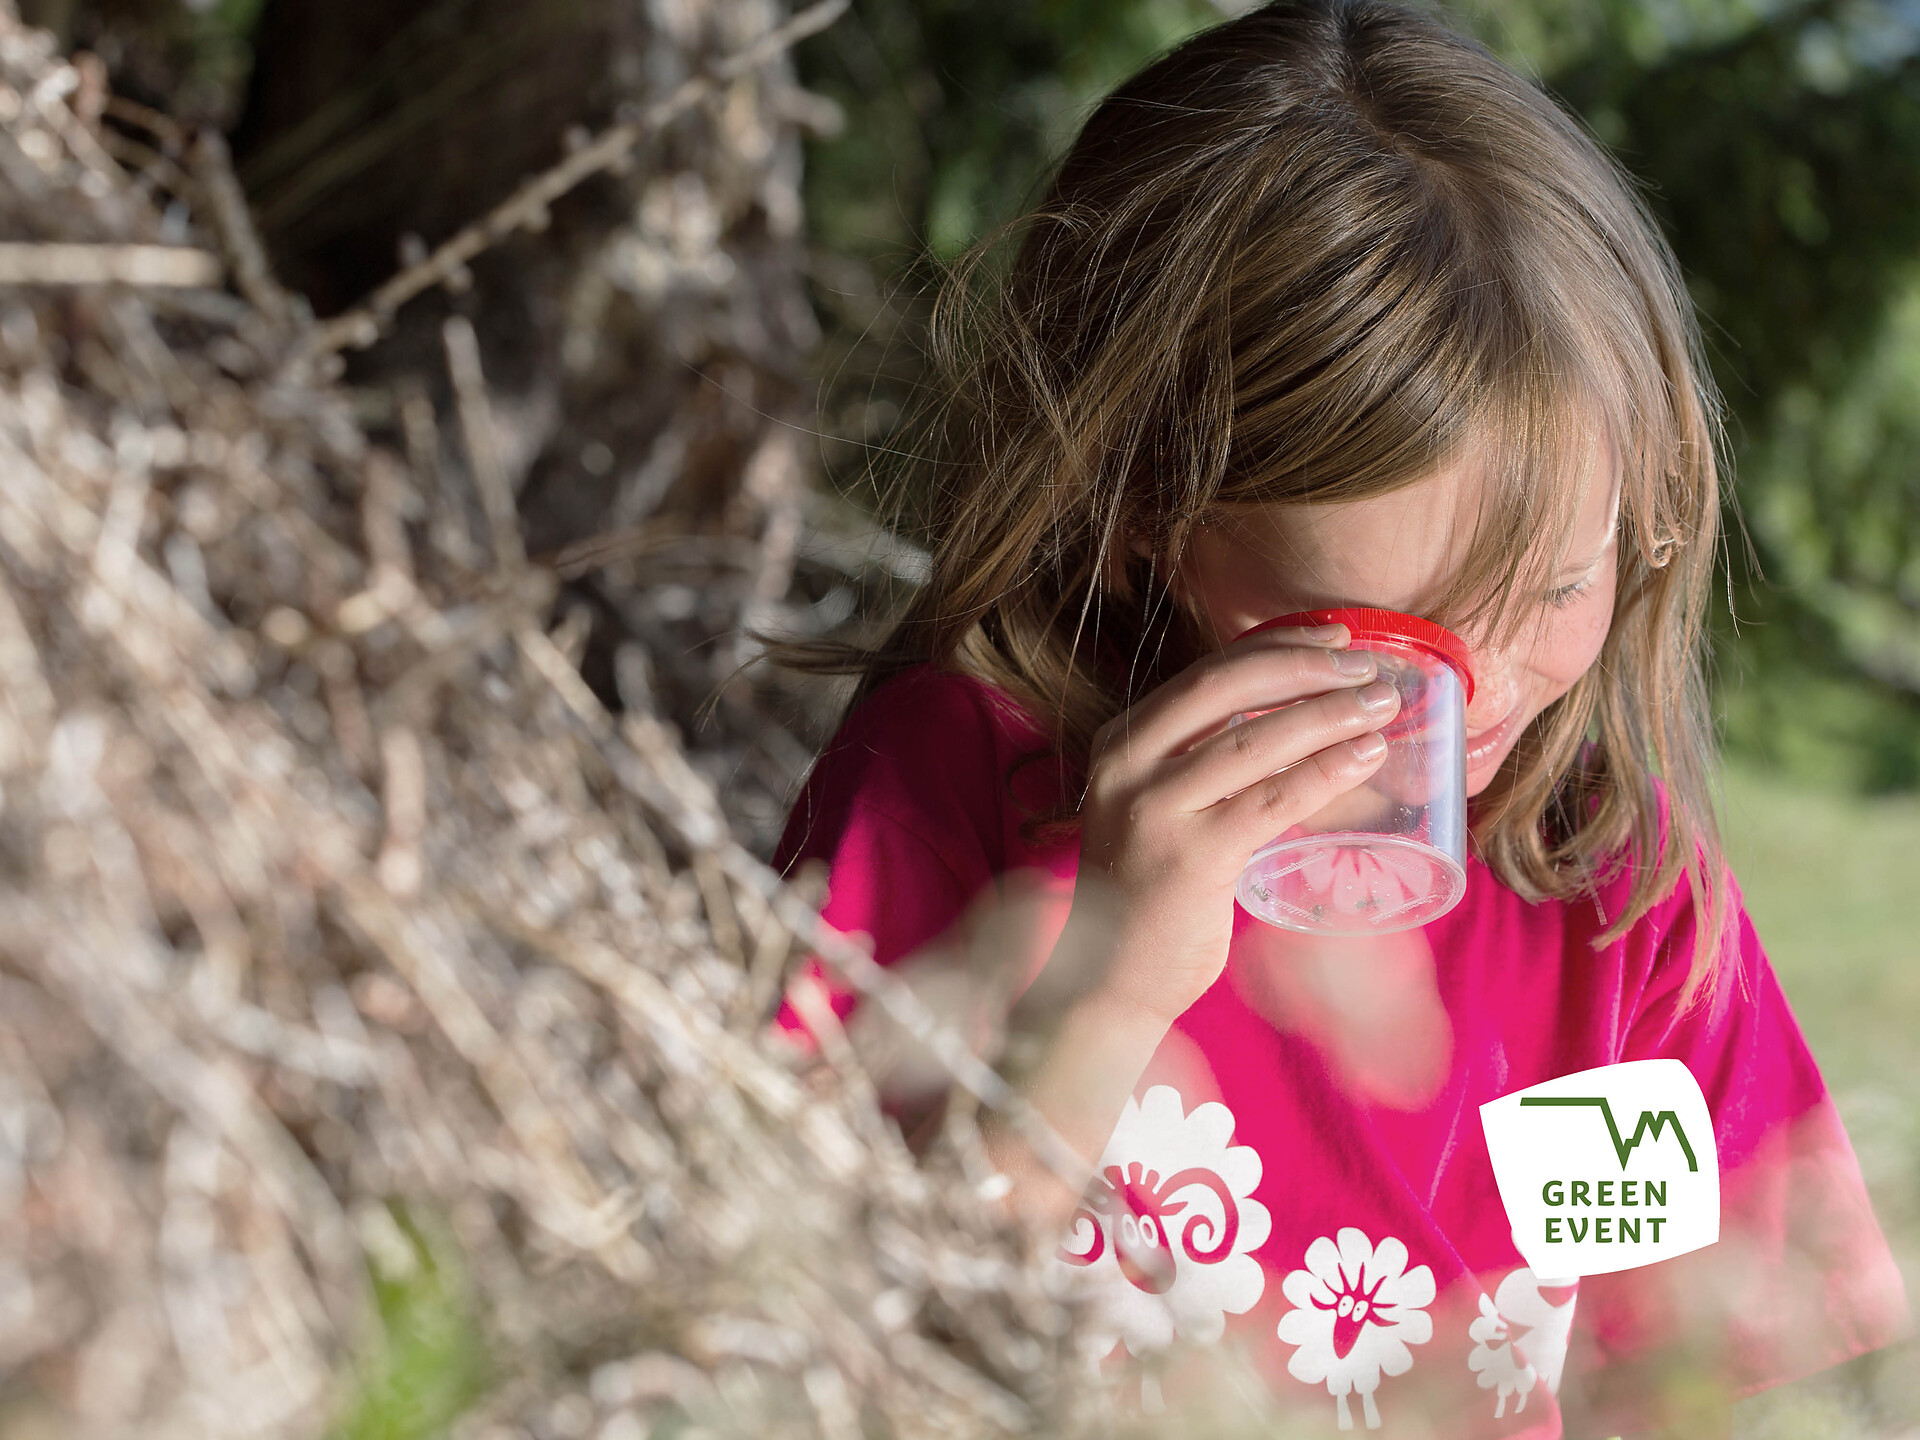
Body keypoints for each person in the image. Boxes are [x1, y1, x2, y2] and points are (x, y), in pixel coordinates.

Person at [763, 2, 1912, 1435]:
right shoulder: (948, 792)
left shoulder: (1612, 895)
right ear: (1139, 513)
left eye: (1558, 586)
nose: (1476, 700)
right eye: (1377, 641)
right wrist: (1109, 990)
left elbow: (1710, 1377)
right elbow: (814, 1347)